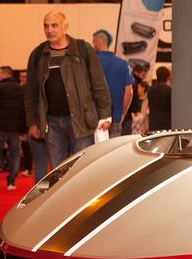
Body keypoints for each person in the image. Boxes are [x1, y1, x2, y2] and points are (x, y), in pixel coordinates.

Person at [25, 12, 111, 169]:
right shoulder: (38, 54)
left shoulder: (83, 49)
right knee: (58, 171)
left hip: (83, 121)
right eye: (46, 26)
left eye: (54, 25)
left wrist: (105, 115)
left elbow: (99, 84)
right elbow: (31, 92)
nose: (49, 30)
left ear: (65, 27)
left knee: (82, 169)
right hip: (51, 124)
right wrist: (32, 122)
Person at [0, 66, 26, 190]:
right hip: (15, 127)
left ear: (5, 75)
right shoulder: (20, 88)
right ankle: (11, 182)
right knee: (14, 155)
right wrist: (22, 127)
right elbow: (23, 109)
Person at [92, 29, 133, 138]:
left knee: (94, 148)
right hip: (115, 118)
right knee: (113, 148)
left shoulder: (90, 64)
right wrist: (121, 114)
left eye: (93, 43)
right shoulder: (123, 64)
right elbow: (129, 92)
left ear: (98, 42)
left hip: (95, 119)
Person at [122, 64, 148, 135]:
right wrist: (133, 111)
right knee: (126, 136)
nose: (144, 77)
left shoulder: (131, 82)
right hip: (128, 114)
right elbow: (130, 98)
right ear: (136, 73)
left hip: (127, 114)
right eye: (143, 75)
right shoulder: (134, 83)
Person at [147, 66, 171, 131]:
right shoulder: (169, 90)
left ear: (157, 75)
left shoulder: (150, 90)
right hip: (166, 122)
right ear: (168, 77)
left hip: (153, 122)